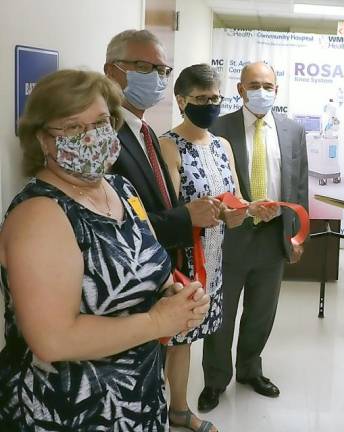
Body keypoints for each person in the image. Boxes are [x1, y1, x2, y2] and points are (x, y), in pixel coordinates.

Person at [0, 69, 210, 430]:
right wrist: (158, 321)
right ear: (42, 141)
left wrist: (172, 294)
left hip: (136, 400)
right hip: (67, 410)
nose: (91, 137)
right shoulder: (39, 215)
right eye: (72, 128)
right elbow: (52, 340)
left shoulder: (121, 189)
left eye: (99, 122)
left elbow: (142, 264)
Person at [159, 64, 265, 432]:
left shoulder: (222, 146)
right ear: (181, 100)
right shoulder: (168, 146)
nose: (210, 105)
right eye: (201, 99)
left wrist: (246, 212)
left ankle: (176, 405)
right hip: (183, 260)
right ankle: (177, 407)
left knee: (194, 335)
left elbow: (232, 209)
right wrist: (199, 214)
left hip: (217, 257)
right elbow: (168, 212)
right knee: (179, 338)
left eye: (215, 99)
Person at [198, 61, 308, 411]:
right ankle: (215, 380)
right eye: (254, 85)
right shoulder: (217, 127)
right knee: (222, 314)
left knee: (261, 313)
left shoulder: (292, 130)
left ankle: (249, 369)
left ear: (277, 89)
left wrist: (298, 236)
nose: (263, 91)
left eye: (269, 85)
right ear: (240, 89)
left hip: (274, 238)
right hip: (230, 236)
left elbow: (299, 185)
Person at [104, 29, 222, 265]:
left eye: (161, 70)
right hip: (131, 273)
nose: (156, 78)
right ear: (111, 71)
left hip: (162, 266)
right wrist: (186, 216)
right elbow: (111, 224)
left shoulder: (147, 133)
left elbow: (161, 204)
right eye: (143, 67)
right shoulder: (102, 135)